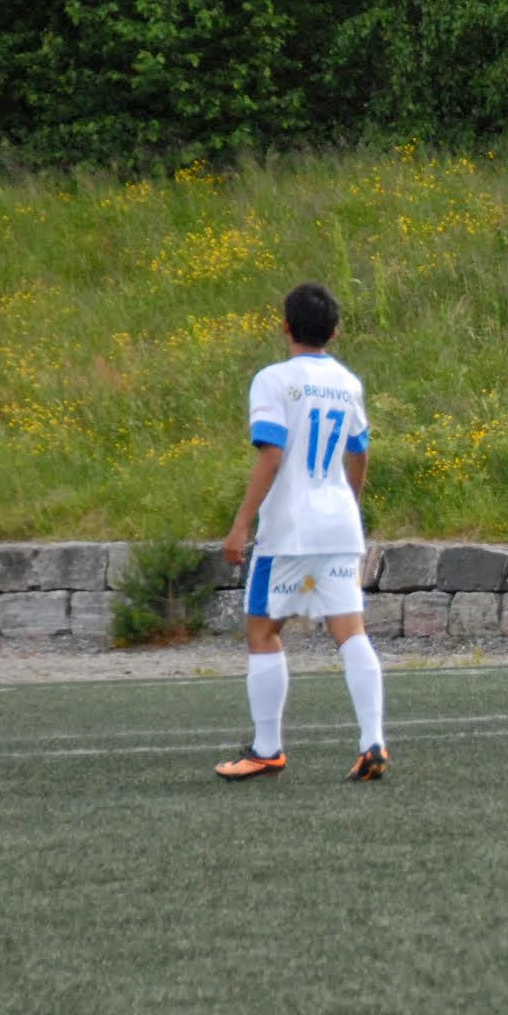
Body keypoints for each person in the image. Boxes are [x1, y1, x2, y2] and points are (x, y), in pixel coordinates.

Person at [216, 282, 388, 781]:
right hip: (338, 524)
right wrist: (348, 503)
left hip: (289, 529)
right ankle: (372, 740)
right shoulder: (347, 383)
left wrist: (240, 524)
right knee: (350, 631)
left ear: (285, 326)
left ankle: (267, 748)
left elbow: (271, 454)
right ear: (335, 332)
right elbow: (359, 451)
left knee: (262, 630)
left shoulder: (272, 380)